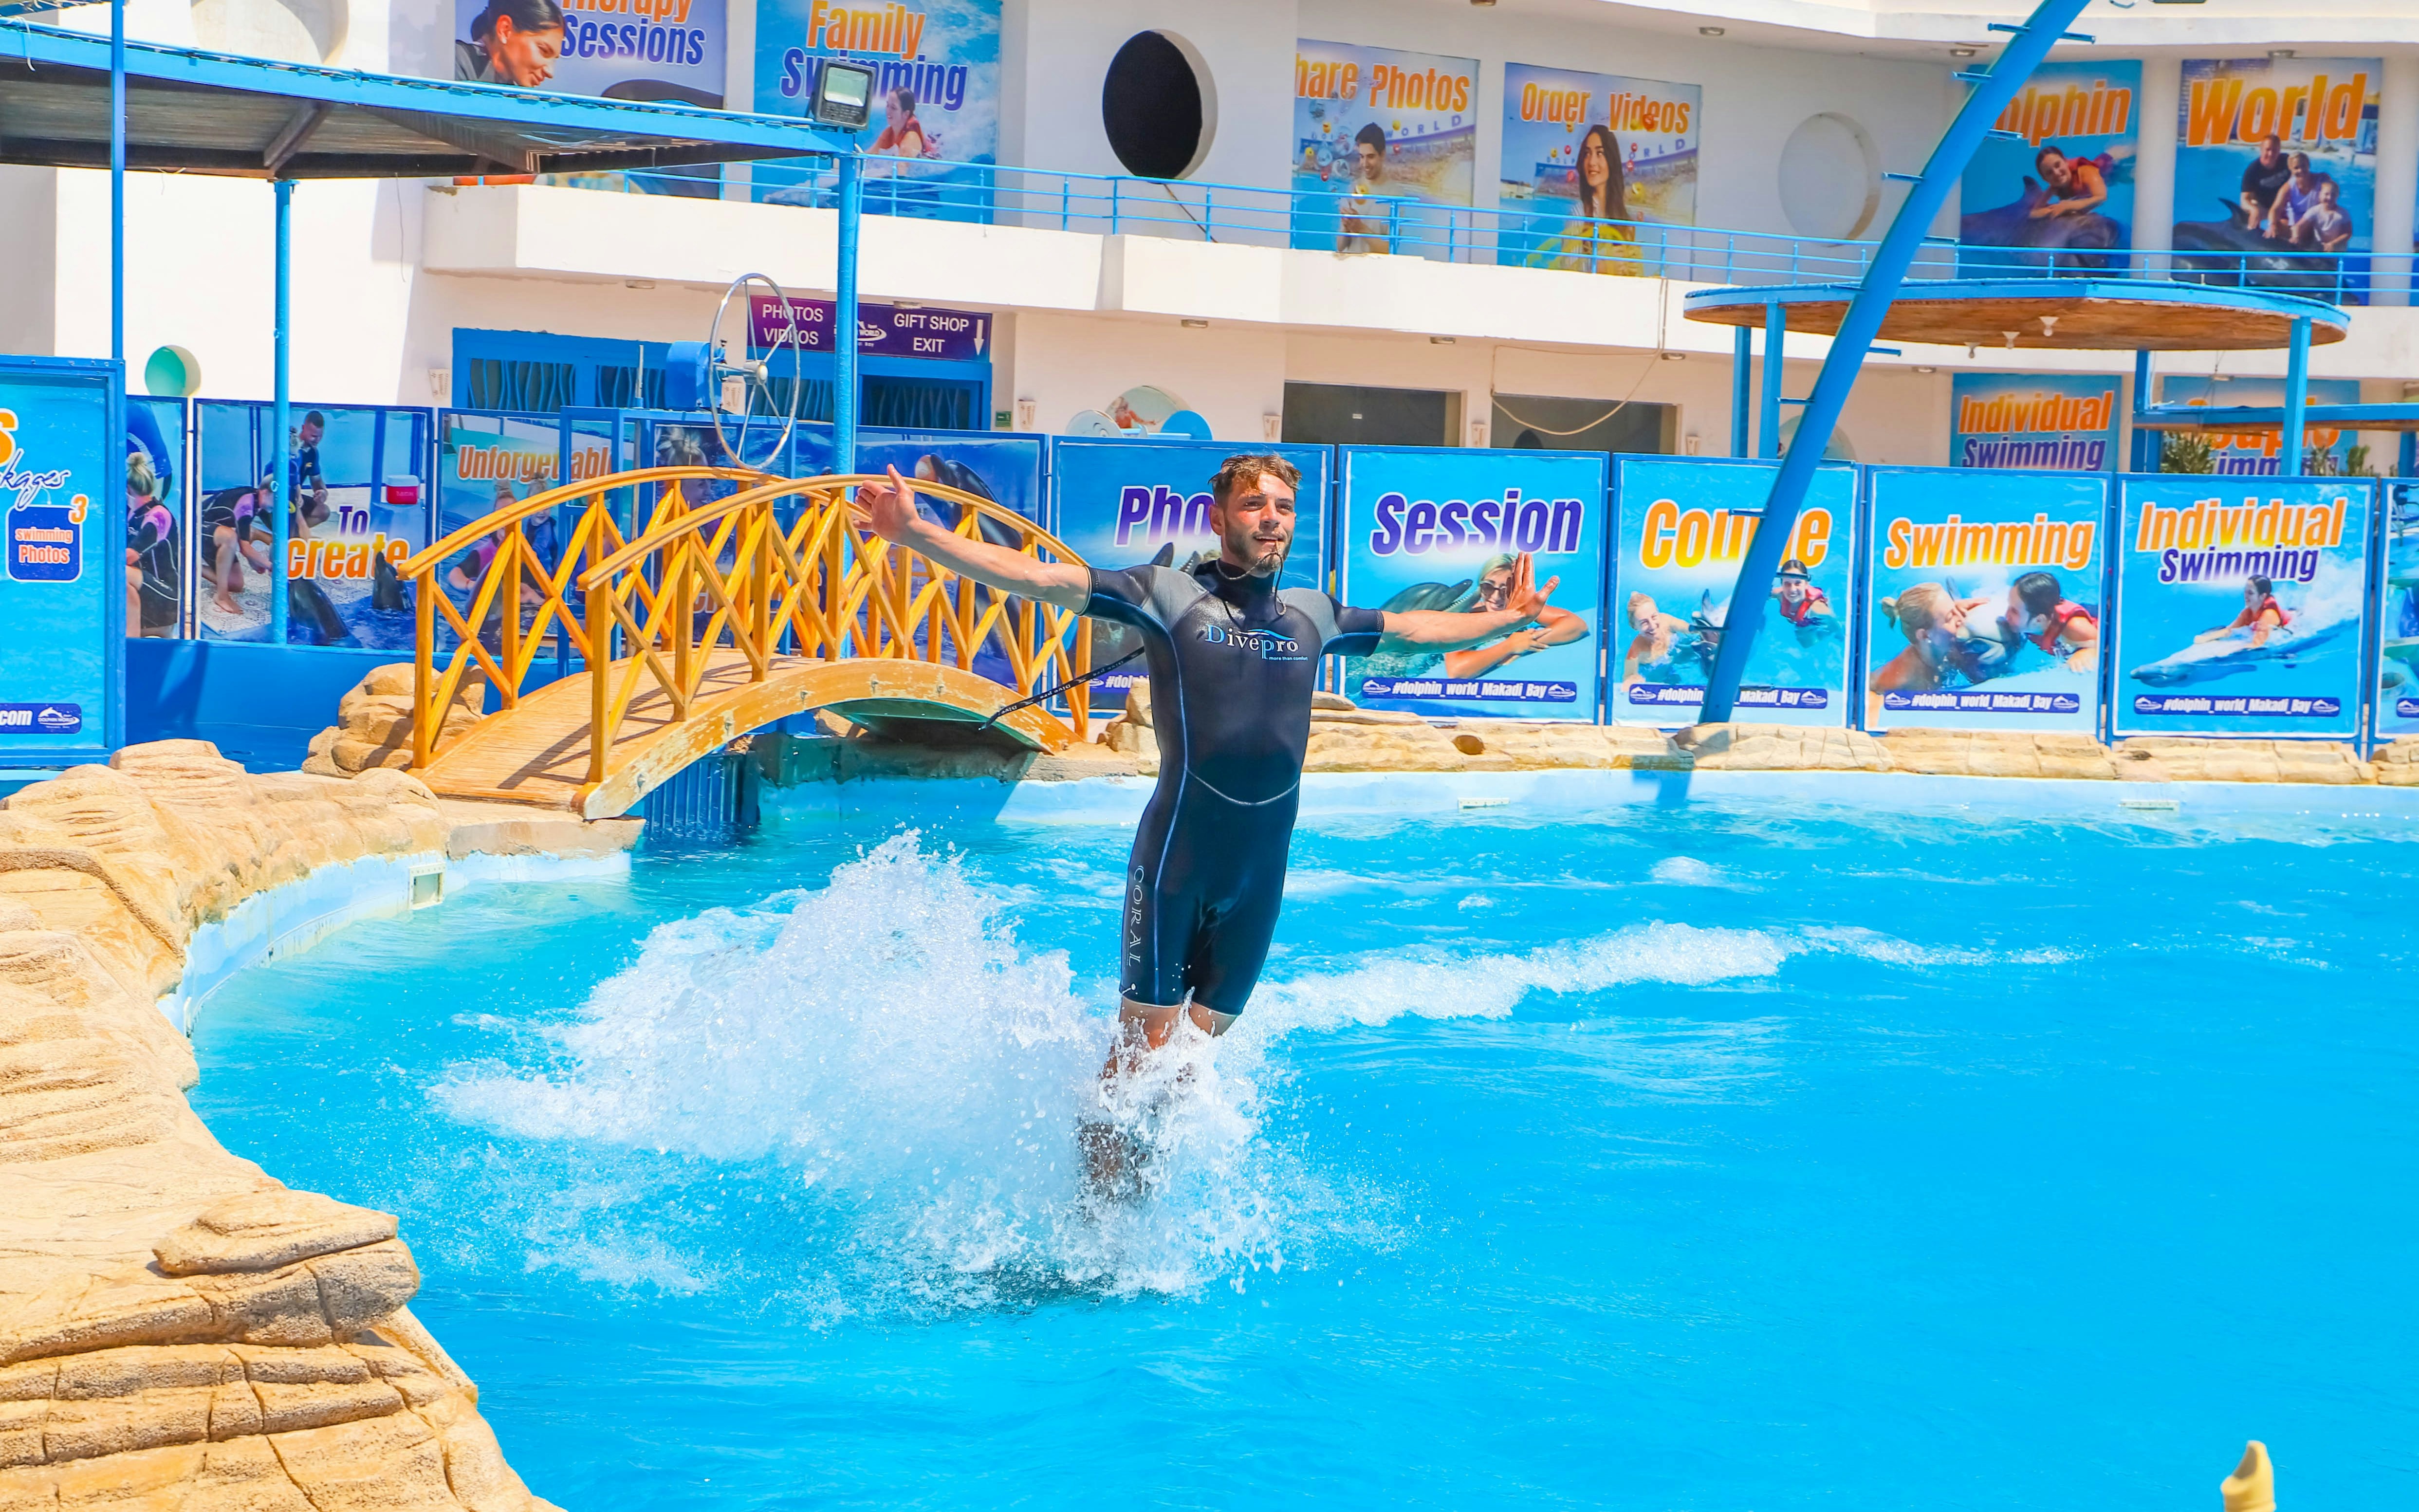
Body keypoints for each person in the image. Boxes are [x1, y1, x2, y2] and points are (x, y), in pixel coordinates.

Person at [851, 453, 1560, 1139]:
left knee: (1191, 1060)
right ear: (1219, 515)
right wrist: (918, 533)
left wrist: (1506, 619)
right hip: (1177, 863)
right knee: (1140, 1052)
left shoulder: (1312, 615)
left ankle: (1143, 1224)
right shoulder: (1168, 596)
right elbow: (1040, 578)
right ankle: (1092, 1224)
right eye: (1254, 503)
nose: (1271, 518)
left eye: (1283, 507)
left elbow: (1416, 628)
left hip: (1259, 875)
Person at [1528, 124, 1641, 275]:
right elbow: (1569, 270)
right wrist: (1603, 266)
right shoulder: (1579, 213)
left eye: (1600, 153)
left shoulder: (1626, 220)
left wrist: (1632, 268)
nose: (1592, 162)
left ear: (1611, 161)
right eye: (1587, 154)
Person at [1868, 583, 1997, 697]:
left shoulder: (1939, 644)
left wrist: (1954, 610)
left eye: (1956, 608)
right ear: (1925, 636)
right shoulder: (1908, 681)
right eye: (1950, 617)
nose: (1962, 618)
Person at [124, 450, 178, 638]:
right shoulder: (132, 512)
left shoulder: (158, 515)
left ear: (128, 488)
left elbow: (130, 555)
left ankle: (131, 641)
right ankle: (130, 636)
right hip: (146, 590)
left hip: (166, 596)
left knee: (120, 573)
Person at [198, 477, 271, 618]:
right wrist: (271, 566)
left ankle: (190, 566)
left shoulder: (255, 500)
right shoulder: (247, 504)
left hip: (213, 532)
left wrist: (253, 561)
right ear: (265, 493)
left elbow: (241, 535)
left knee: (236, 585)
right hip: (195, 529)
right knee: (229, 537)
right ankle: (222, 596)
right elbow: (244, 547)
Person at [456, 0, 564, 88]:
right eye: (544, 51)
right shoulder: (455, 62)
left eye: (554, 59)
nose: (550, 72)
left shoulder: (513, 94)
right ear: (505, 30)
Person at [2005, 570, 2098, 671]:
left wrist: (2085, 652)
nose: (2007, 615)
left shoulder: (2075, 627)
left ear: (2039, 620)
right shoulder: (2032, 616)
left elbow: (2105, 647)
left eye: (2014, 611)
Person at [1337, 123, 1392, 253]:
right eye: (1362, 157)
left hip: (1376, 271)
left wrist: (1361, 228)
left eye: (1371, 157)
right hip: (1349, 267)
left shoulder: (1395, 195)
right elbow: (1340, 247)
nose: (1364, 164)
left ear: (1382, 155)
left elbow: (1391, 251)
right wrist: (1346, 227)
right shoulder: (1352, 188)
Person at [2198, 574, 2290, 648]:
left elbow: (2257, 645)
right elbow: (2229, 630)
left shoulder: (2269, 615)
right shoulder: (2247, 612)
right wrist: (2207, 638)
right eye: (2245, 592)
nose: (2246, 596)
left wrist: (2229, 650)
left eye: (2250, 593)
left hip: (2290, 623)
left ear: (2263, 596)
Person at [2031, 145, 2109, 220]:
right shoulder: (2055, 187)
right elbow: (2034, 213)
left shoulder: (2086, 172)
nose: (2056, 173)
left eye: (2058, 165)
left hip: (2110, 169)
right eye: (2049, 173)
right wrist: (2055, 210)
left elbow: (2101, 198)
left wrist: (2070, 206)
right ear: (2046, 179)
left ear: (2066, 161)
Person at [2264, 153, 2326, 240]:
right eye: (2296, 168)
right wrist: (2272, 225)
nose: (2301, 170)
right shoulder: (2289, 187)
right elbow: (2275, 209)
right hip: (2296, 227)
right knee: (2278, 224)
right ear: (2291, 169)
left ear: (2309, 165)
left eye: (2304, 166)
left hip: (2315, 224)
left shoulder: (2322, 180)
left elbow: (2332, 194)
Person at [2237, 134, 2291, 229]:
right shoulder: (2253, 170)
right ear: (2261, 149)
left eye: (2275, 150)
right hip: (2263, 208)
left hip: (2282, 207)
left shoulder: (2287, 161)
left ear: (2279, 151)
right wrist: (2254, 210)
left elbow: (2303, 177)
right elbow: (2244, 200)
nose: (2271, 154)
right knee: (2249, 211)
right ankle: (2252, 236)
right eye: (2268, 150)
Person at [2289, 177, 2355, 253]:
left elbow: (2348, 233)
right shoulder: (2315, 211)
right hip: (2320, 247)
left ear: (2338, 196)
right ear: (2320, 194)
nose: (2330, 198)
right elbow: (2298, 226)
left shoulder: (2343, 214)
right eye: (2326, 194)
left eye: (2333, 195)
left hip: (2337, 248)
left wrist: (2333, 244)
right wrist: (2296, 236)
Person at [1770, 558, 1832, 633]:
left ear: (1806, 584)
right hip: (1798, 621)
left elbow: (1836, 625)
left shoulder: (1817, 608)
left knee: (1805, 642)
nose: (1793, 590)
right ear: (1782, 585)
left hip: (1814, 623)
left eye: (1798, 583)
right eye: (1787, 583)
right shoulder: (1780, 595)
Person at [871, 87, 928, 159]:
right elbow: (867, 156)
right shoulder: (889, 133)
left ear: (906, 114)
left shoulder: (910, 140)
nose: (888, 111)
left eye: (893, 108)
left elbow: (902, 168)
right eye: (888, 105)